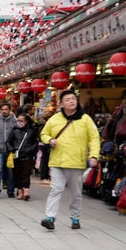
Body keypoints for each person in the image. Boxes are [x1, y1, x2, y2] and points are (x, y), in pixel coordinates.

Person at [40, 90, 100, 230]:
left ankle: (75, 217)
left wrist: (94, 156)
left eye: (73, 99)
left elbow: (94, 138)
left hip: (76, 162)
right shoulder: (55, 119)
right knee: (56, 189)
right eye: (68, 99)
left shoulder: (85, 119)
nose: (72, 101)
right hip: (57, 161)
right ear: (61, 103)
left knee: (76, 193)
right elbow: (43, 133)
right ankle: (50, 217)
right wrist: (50, 140)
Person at [6, 113, 39, 200]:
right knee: (17, 174)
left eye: (22, 121)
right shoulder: (14, 130)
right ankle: (20, 191)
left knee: (26, 173)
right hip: (16, 156)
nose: (19, 122)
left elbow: (35, 143)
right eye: (18, 120)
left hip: (27, 156)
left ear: (26, 121)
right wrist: (11, 149)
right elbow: (8, 141)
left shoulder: (31, 131)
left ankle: (26, 190)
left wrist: (29, 150)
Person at [0, 102, 17, 198]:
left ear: (10, 110)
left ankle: (10, 190)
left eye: (6, 109)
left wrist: (14, 145)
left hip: (10, 151)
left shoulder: (14, 121)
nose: (4, 111)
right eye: (3, 109)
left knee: (10, 171)